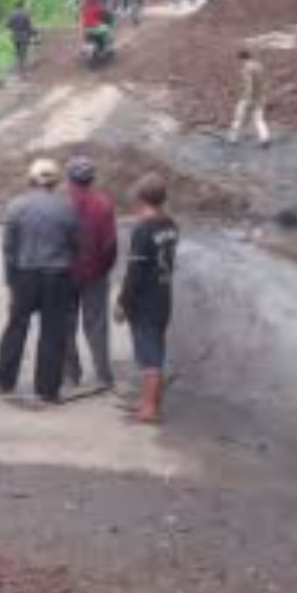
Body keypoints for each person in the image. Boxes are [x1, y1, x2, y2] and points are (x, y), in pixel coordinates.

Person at [0, 159, 81, 405]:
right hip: (57, 276)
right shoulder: (67, 208)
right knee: (53, 332)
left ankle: (4, 379)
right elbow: (76, 245)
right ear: (56, 181)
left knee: (16, 326)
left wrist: (10, 279)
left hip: (25, 275)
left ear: (30, 180)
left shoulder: (17, 206)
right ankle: (48, 388)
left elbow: (9, 248)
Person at [115, 174, 180, 425]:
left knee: (148, 356)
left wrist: (122, 302)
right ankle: (147, 401)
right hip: (164, 296)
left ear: (140, 199)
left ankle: (150, 408)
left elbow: (134, 274)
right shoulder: (170, 225)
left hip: (145, 302)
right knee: (156, 349)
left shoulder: (143, 230)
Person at [62, 157, 119, 391]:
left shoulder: (61, 205)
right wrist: (103, 269)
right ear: (92, 179)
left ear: (69, 178)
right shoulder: (104, 205)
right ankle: (103, 376)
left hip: (65, 275)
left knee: (66, 325)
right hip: (95, 275)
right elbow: (110, 246)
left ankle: (71, 374)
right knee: (96, 326)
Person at [230, 49, 272, 146]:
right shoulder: (259, 66)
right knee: (259, 119)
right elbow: (264, 83)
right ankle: (265, 138)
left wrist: (247, 99)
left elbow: (249, 85)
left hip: (248, 98)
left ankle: (233, 139)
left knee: (238, 118)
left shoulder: (246, 68)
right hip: (260, 97)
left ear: (241, 58)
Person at [8, 3, 38, 73]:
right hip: (24, 35)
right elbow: (29, 26)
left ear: (15, 6)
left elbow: (8, 25)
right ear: (22, 6)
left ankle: (17, 67)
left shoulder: (12, 15)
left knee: (17, 51)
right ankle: (22, 67)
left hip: (15, 35)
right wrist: (34, 33)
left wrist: (14, 28)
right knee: (24, 52)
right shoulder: (25, 15)